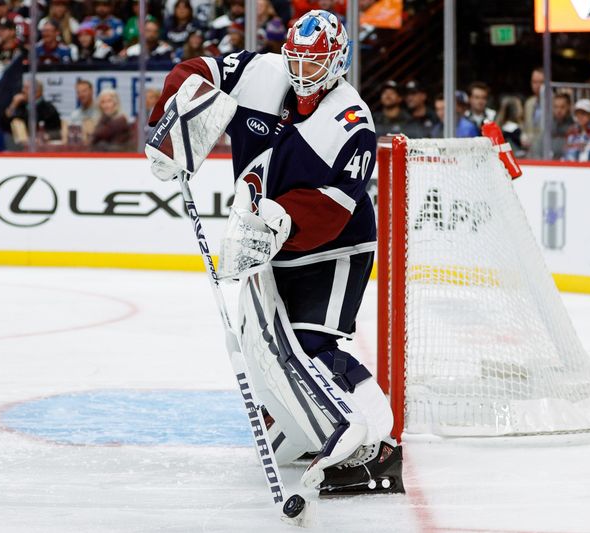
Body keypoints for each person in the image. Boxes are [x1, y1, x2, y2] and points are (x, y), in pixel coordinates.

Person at [147, 10, 400, 495]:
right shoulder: (262, 72)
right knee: (265, 345)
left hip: (334, 248)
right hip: (267, 239)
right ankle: (303, 428)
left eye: (316, 61)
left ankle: (379, 445)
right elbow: (198, 70)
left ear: (338, 61)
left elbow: (335, 208)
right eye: (298, 59)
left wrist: (280, 217)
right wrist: (170, 121)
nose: (304, 71)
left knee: (310, 345)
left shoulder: (352, 119)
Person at [66, 78, 100, 143]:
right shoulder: (74, 114)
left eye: (84, 91)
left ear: (91, 91)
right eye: (78, 92)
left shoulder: (101, 111)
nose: (81, 95)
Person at [523, 67, 543, 153]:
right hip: (530, 151)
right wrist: (523, 136)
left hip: (546, 151)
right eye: (534, 82)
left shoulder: (555, 103)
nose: (537, 85)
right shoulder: (529, 103)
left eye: (541, 82)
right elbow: (525, 126)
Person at [551, 93, 574, 159]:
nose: (559, 110)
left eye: (562, 107)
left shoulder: (575, 127)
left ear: (568, 107)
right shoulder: (548, 126)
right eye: (556, 107)